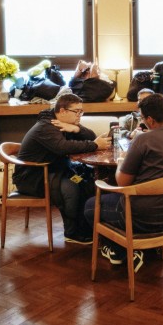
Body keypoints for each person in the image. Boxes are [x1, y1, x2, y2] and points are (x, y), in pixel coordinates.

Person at [84, 93, 163, 272]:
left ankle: (121, 251)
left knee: (90, 205)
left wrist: (122, 160)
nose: (142, 122)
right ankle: (137, 249)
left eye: (143, 118)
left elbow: (123, 181)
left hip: (140, 217)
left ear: (150, 120)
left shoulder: (143, 140)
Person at [13, 93, 111, 244]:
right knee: (72, 187)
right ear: (63, 111)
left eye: (81, 111)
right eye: (76, 111)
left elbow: (91, 136)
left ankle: (87, 227)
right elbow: (62, 147)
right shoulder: (46, 127)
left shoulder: (62, 123)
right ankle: (73, 233)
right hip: (32, 177)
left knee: (88, 179)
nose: (80, 115)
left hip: (51, 171)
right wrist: (95, 145)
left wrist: (76, 129)